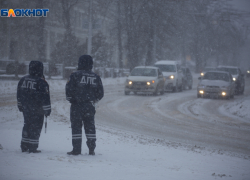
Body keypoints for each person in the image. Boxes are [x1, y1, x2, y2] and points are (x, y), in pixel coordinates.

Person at [66, 55, 104, 155]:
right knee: (90, 127)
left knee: (76, 128)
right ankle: (91, 149)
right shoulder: (96, 77)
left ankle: (76, 149)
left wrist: (73, 100)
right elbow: (100, 93)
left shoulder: (74, 75)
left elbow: (68, 91)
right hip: (89, 106)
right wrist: (93, 100)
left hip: (76, 106)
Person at [17, 61, 51, 153]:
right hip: (37, 109)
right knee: (36, 127)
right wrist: (47, 110)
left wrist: (20, 105)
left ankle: (24, 146)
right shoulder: (41, 82)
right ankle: (33, 147)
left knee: (27, 125)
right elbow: (45, 98)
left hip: (26, 109)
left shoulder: (23, 79)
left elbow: (19, 95)